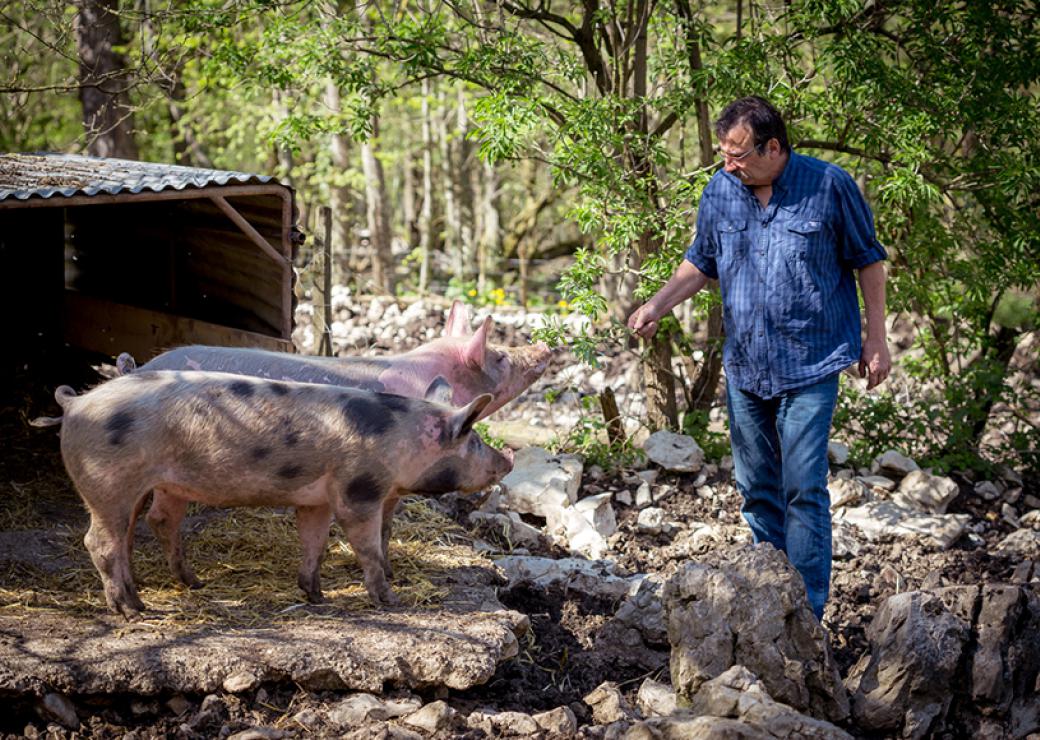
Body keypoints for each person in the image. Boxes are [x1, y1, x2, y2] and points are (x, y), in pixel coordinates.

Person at [627, 96, 891, 620]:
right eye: (724, 153)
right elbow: (699, 264)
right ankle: (771, 598)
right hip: (747, 366)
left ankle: (807, 613)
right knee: (755, 488)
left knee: (803, 487)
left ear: (774, 147)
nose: (730, 164)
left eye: (740, 154)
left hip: (811, 362)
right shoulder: (720, 192)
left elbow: (869, 262)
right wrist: (655, 305)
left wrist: (876, 339)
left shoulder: (829, 186)